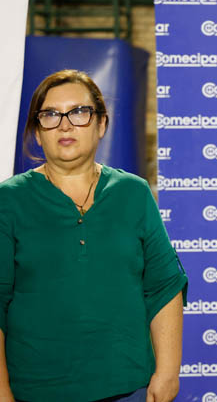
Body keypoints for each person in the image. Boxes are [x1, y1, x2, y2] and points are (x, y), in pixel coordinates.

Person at [0, 70, 188, 402]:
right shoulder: (10, 200)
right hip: (35, 390)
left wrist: (168, 372)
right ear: (37, 133)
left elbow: (164, 285)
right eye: (50, 115)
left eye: (79, 112)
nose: (65, 125)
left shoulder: (133, 193)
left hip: (128, 387)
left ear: (101, 124)